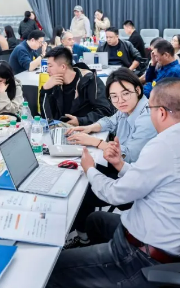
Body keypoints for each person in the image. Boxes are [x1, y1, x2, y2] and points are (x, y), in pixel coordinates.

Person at [47, 79, 180, 288]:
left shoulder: (165, 145)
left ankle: (105, 272)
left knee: (51, 269)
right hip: (164, 235)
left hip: (143, 256)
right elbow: (152, 177)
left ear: (162, 113)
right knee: (95, 221)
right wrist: (120, 164)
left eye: (150, 108)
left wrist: (89, 168)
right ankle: (96, 272)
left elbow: (115, 194)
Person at [65, 68, 157, 248]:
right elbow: (110, 121)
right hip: (120, 167)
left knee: (83, 189)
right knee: (80, 174)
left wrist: (94, 141)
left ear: (138, 90)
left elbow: (128, 156)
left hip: (134, 179)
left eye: (125, 93)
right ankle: (83, 232)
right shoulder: (128, 108)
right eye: (114, 96)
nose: (120, 100)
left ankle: (83, 237)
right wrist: (88, 128)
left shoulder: (147, 117)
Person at [40, 46, 113, 126]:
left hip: (88, 129)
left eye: (50, 66)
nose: (47, 70)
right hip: (62, 129)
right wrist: (45, 90)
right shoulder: (55, 84)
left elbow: (105, 111)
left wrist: (80, 121)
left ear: (63, 67)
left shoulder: (90, 81)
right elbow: (46, 118)